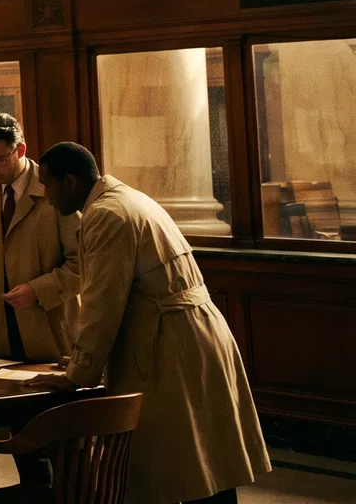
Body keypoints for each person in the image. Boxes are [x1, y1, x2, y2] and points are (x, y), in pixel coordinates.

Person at [32, 143, 269, 504]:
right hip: (191, 334)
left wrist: (77, 374)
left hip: (172, 344)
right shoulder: (125, 198)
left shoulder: (106, 214)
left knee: (177, 465)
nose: (47, 198)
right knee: (207, 462)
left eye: (48, 186)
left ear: (69, 182)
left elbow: (102, 304)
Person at [0, 114, 78, 363]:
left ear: (20, 150)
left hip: (49, 331)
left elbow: (83, 263)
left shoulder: (57, 191)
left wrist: (38, 290)